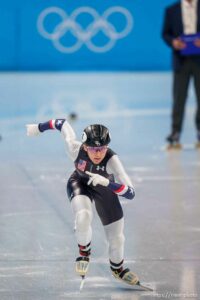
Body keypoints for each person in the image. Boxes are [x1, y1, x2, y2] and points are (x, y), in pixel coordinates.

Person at [26, 119, 139, 286]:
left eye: (102, 148)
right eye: (93, 148)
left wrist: (108, 183)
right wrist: (38, 128)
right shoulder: (74, 149)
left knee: (117, 239)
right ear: (85, 146)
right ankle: (84, 252)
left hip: (105, 189)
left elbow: (131, 193)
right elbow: (61, 124)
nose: (98, 153)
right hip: (80, 183)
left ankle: (118, 269)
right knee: (83, 217)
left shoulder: (112, 160)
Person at [162, 0, 200, 148]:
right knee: (179, 98)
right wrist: (174, 42)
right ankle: (175, 132)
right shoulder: (171, 10)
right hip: (181, 60)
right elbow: (165, 33)